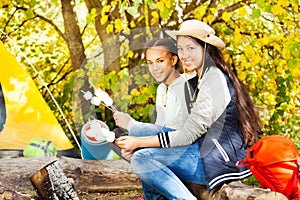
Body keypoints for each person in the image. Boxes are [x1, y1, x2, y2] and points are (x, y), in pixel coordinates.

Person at [113, 19, 262, 199]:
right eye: (181, 49)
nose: (184, 55)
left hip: (219, 161)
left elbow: (187, 135)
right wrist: (138, 139)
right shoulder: (202, 77)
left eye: (191, 48)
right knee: (140, 132)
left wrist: (138, 143)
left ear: (206, 48)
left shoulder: (213, 79)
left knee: (142, 158)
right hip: (205, 151)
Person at [110, 38, 198, 161]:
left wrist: (132, 125)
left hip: (181, 149)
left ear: (173, 60)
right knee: (116, 136)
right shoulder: (161, 88)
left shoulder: (186, 86)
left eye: (160, 61)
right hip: (161, 143)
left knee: (130, 132)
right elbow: (159, 126)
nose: (154, 68)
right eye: (150, 62)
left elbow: (180, 134)